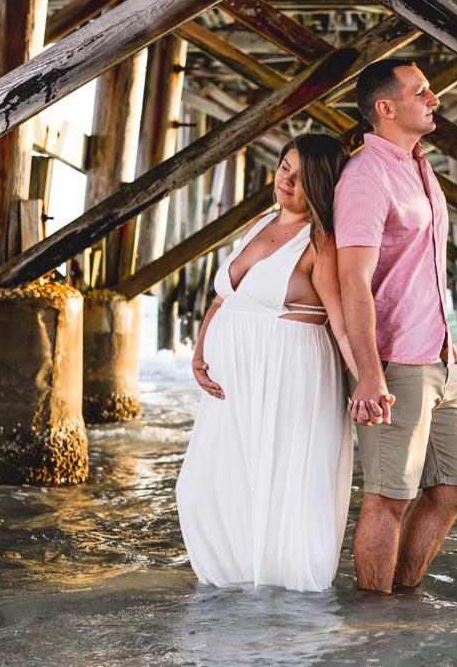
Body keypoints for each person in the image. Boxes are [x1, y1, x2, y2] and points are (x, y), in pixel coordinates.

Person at [176, 134, 357, 593]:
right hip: (231, 384)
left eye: (300, 176)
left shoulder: (321, 242)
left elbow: (340, 324)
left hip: (290, 377)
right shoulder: (259, 222)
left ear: (322, 183)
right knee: (203, 490)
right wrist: (200, 351)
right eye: (283, 167)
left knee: (285, 488)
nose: (286, 181)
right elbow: (225, 297)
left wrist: (370, 383)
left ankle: (289, 611)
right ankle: (236, 594)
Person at [334, 58, 457, 594]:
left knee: (452, 489)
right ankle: (375, 625)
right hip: (396, 363)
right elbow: (353, 282)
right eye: (422, 91)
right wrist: (370, 376)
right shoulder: (365, 178)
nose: (434, 98)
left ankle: (400, 598)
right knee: (389, 498)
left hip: (441, 356)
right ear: (386, 108)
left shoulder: (418, 165)